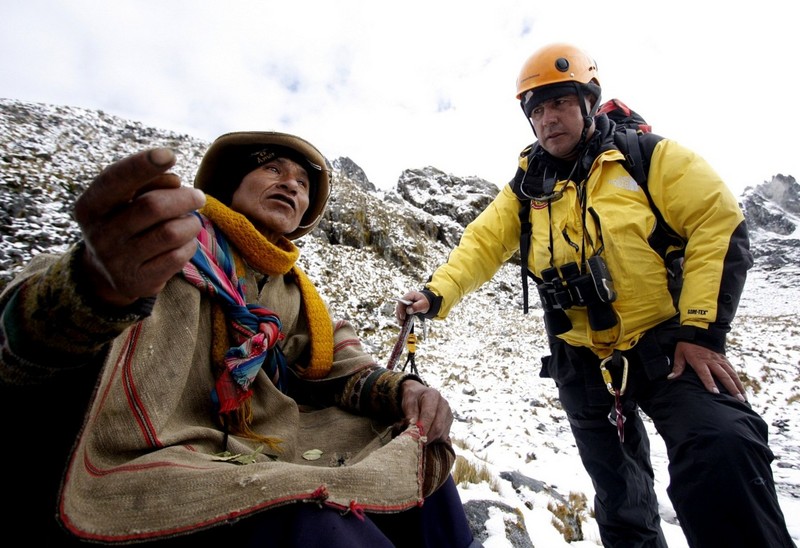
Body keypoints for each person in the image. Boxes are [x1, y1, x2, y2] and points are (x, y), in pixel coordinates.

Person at [396, 43, 796, 548]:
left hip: (670, 345)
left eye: (560, 102)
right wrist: (436, 294)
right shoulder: (525, 187)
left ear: (589, 101)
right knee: (621, 497)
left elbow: (717, 223)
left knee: (723, 448)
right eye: (536, 110)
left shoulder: (649, 158)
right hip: (581, 361)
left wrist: (701, 332)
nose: (547, 119)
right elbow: (481, 244)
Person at [0, 131, 479, 547]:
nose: (291, 183)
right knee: (323, 530)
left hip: (266, 450)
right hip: (165, 460)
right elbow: (21, 336)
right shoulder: (161, 242)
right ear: (231, 184)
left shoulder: (295, 294)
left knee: (418, 460)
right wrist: (90, 291)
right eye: (273, 169)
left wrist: (406, 391)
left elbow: (343, 369)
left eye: (303, 183)